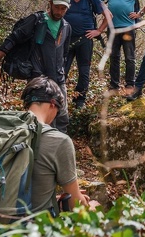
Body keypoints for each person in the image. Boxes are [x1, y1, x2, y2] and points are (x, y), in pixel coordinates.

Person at [0, 0, 72, 132]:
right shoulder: (36, 20)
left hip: (58, 79)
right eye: (57, 7)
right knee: (38, 119)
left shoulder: (67, 27)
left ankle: (58, 146)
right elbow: (12, 39)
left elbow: (64, 54)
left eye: (63, 9)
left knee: (61, 117)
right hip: (38, 78)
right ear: (50, 4)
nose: (59, 11)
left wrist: (63, 74)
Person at [21, 76, 94, 213]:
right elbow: (75, 204)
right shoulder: (59, 141)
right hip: (34, 229)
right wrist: (91, 206)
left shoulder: (5, 132)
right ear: (53, 104)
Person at [98, 0, 145, 93]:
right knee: (114, 56)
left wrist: (140, 13)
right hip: (112, 28)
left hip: (128, 27)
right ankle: (114, 86)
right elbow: (98, 1)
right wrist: (105, 11)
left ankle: (129, 85)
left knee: (129, 57)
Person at [64, 0, 110, 109]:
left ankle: (80, 100)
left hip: (85, 40)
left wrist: (99, 30)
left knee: (84, 71)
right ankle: (59, 97)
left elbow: (109, 15)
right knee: (61, 69)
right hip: (66, 39)